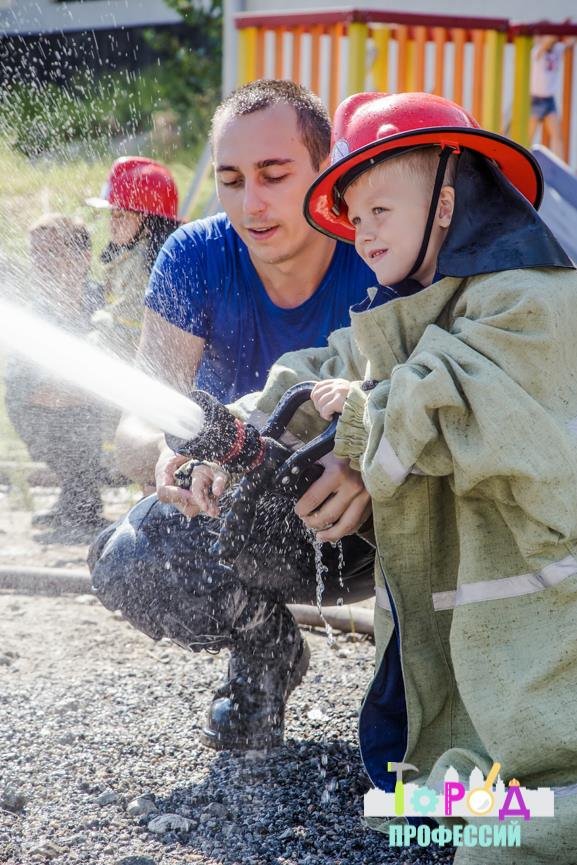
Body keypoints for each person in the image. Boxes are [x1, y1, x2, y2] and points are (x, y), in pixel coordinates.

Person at [211, 91, 576, 861]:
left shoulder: (537, 301)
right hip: (493, 648)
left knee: (511, 834)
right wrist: (227, 427)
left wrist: (360, 425)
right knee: (419, 803)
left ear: (446, 202)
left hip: (555, 639)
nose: (360, 231)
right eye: (352, 213)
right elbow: (324, 374)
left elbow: (453, 392)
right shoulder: (415, 313)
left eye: (379, 207)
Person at [89, 80, 376, 751]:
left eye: (275, 175)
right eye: (230, 178)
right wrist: (168, 453)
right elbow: (137, 419)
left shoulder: (377, 251)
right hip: (239, 521)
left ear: (324, 168)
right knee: (125, 561)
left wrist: (372, 452)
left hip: (370, 525)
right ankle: (265, 650)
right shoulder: (192, 256)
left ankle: (434, 690)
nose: (253, 202)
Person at [4, 213, 108, 537]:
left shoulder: (106, 305)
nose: (40, 262)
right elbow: (21, 385)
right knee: (22, 400)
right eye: (35, 253)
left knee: (80, 411)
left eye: (51, 252)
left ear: (83, 258)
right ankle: (77, 495)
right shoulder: (33, 316)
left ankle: (90, 490)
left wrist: (81, 392)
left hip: (111, 419)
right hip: (72, 409)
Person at [86, 156, 180, 359]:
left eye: (120, 216)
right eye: (111, 215)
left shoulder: (149, 268)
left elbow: (126, 331)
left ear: (148, 222)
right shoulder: (131, 257)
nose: (112, 224)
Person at [529, 32, 575, 158]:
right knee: (528, 136)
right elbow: (545, 44)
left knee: (557, 136)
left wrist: (567, 27)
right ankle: (522, 161)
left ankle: (559, 166)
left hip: (549, 99)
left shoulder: (557, 49)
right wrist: (554, 33)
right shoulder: (537, 51)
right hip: (535, 100)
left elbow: (570, 42)